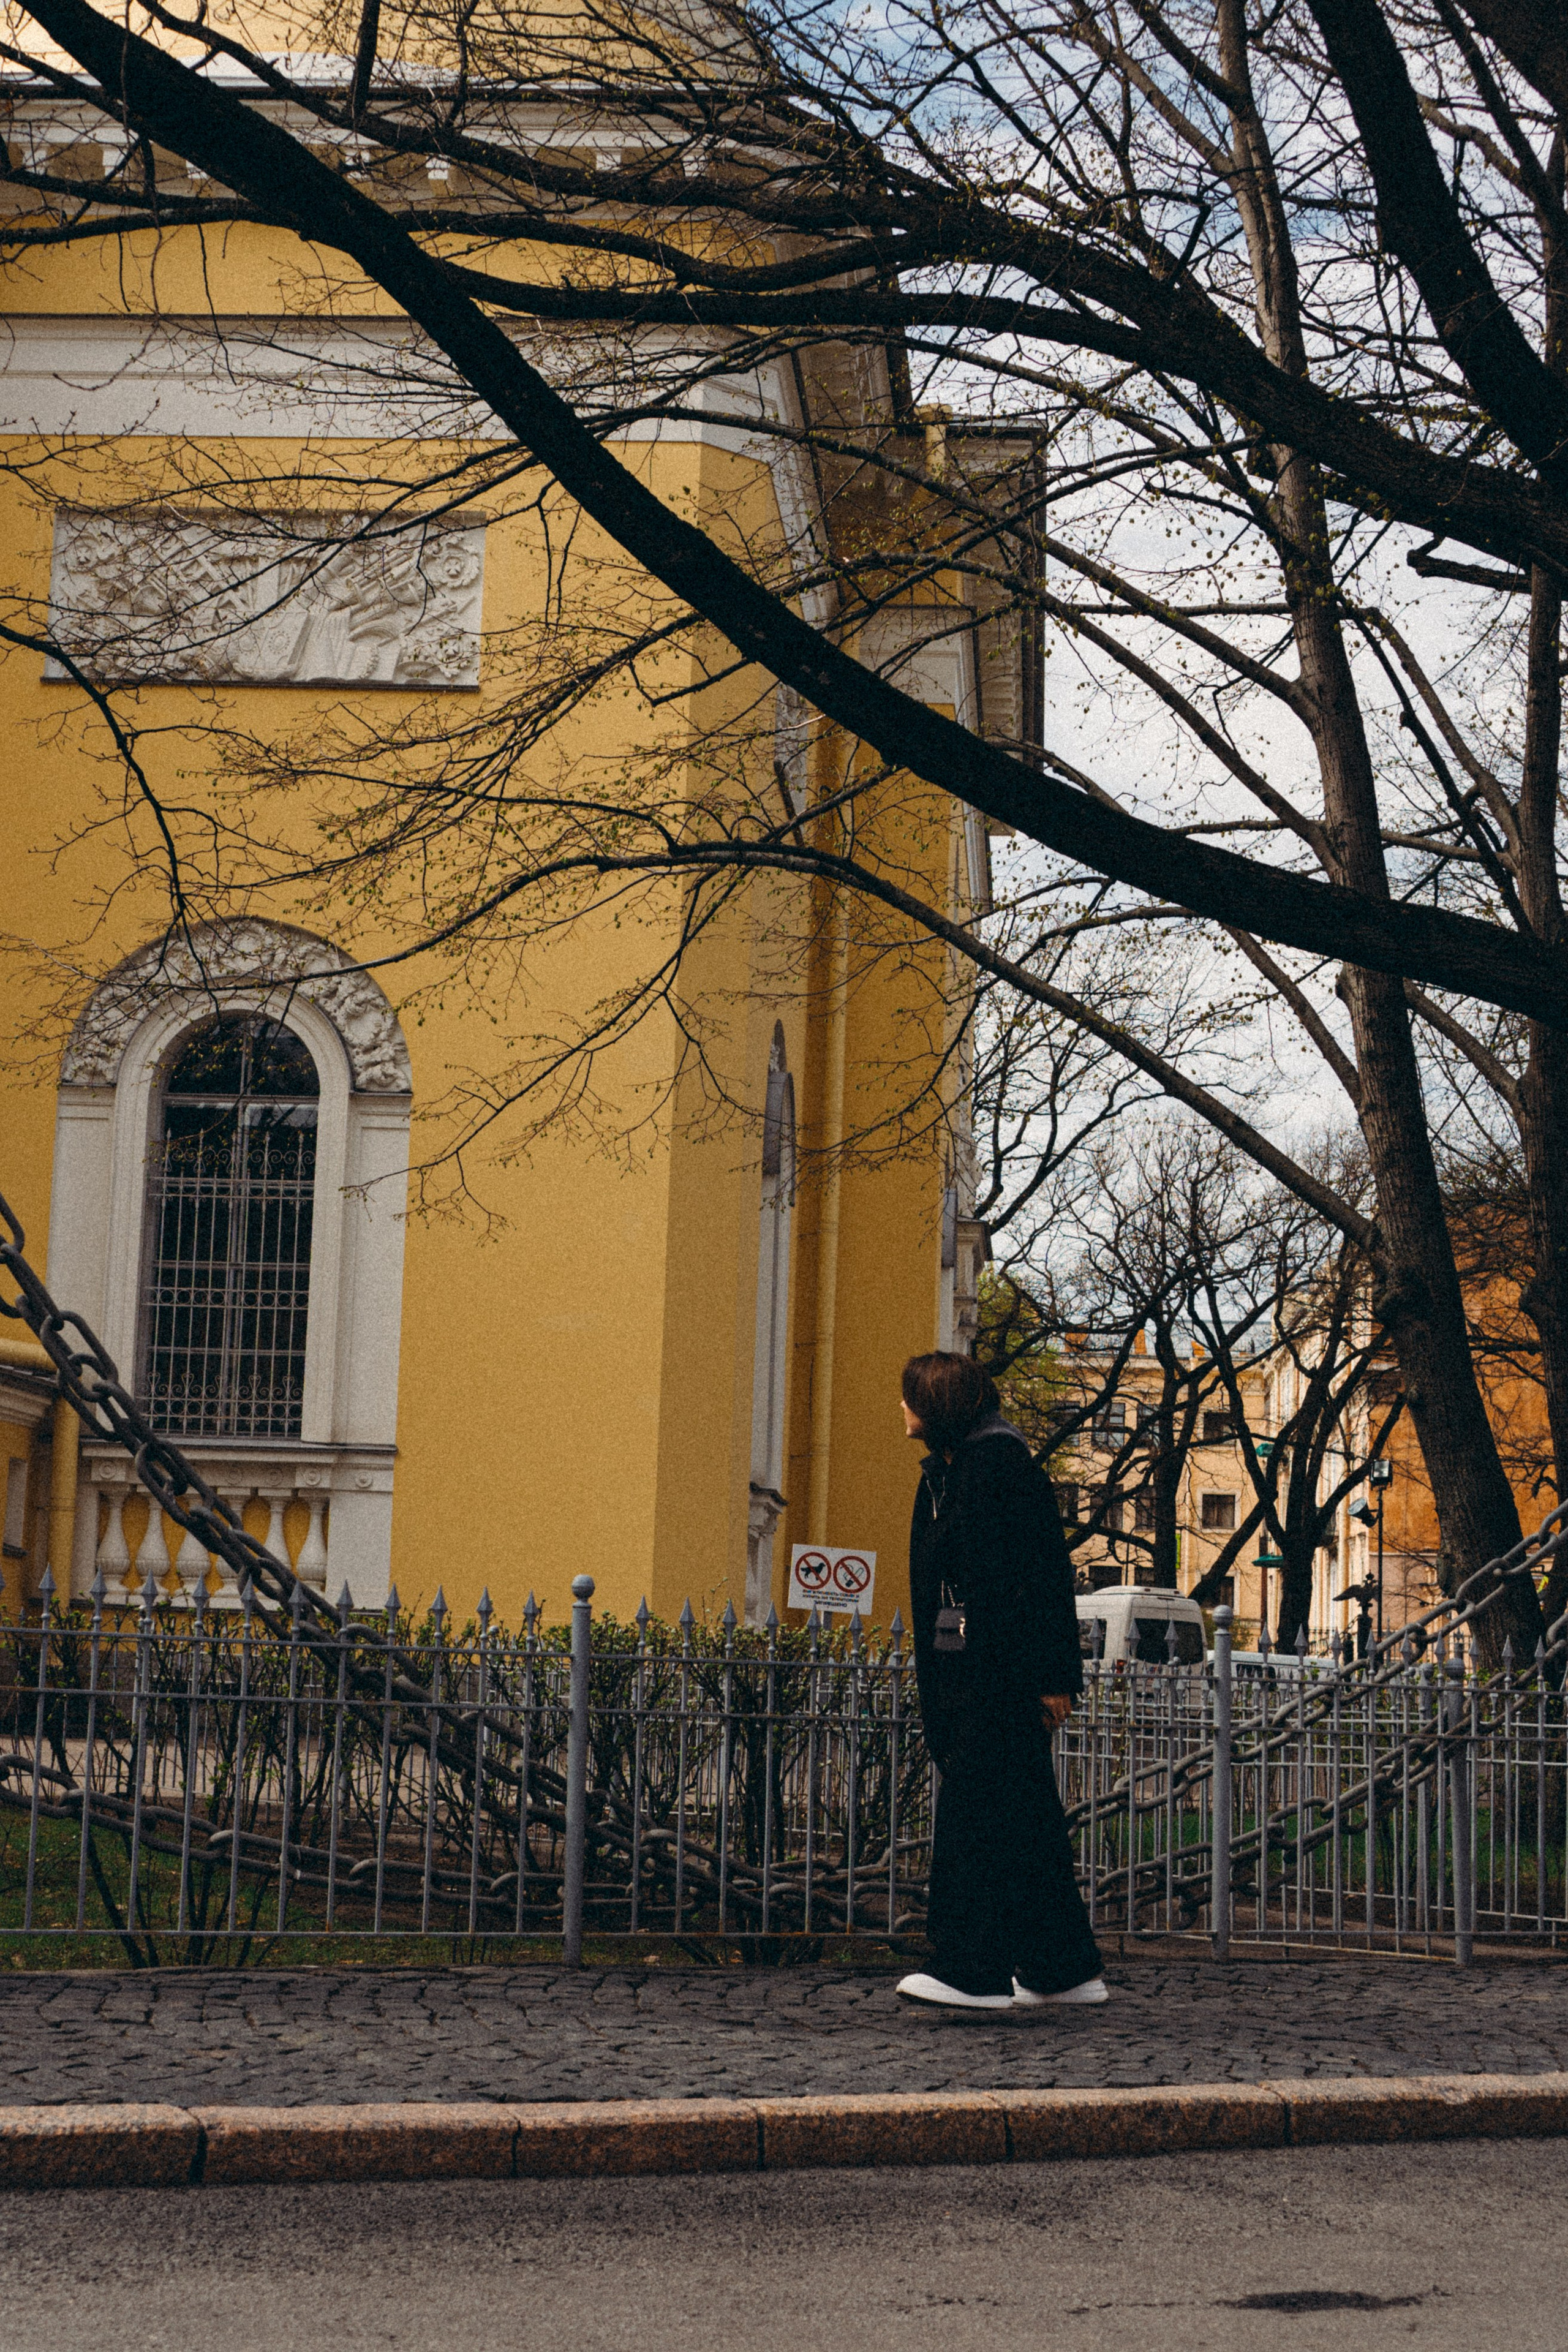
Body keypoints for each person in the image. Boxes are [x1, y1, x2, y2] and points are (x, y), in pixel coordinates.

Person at [895, 1350, 1107, 2012]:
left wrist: (1052, 1676)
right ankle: (1060, 1968)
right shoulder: (964, 1469)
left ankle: (970, 1967)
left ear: (938, 1405)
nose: (899, 1409)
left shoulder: (992, 1471)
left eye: (909, 1397)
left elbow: (1037, 1580)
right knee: (1024, 1821)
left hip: (992, 1677)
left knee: (977, 1818)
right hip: (983, 1671)